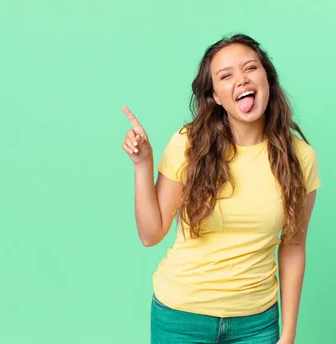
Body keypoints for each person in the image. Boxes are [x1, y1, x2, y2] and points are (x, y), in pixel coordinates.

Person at [121, 34, 321, 344]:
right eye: (226, 76)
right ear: (215, 95)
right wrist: (142, 164)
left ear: (267, 78)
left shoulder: (300, 158)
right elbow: (151, 234)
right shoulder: (188, 145)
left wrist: (289, 333)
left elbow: (294, 245)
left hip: (256, 324)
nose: (241, 80)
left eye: (250, 68)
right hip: (181, 317)